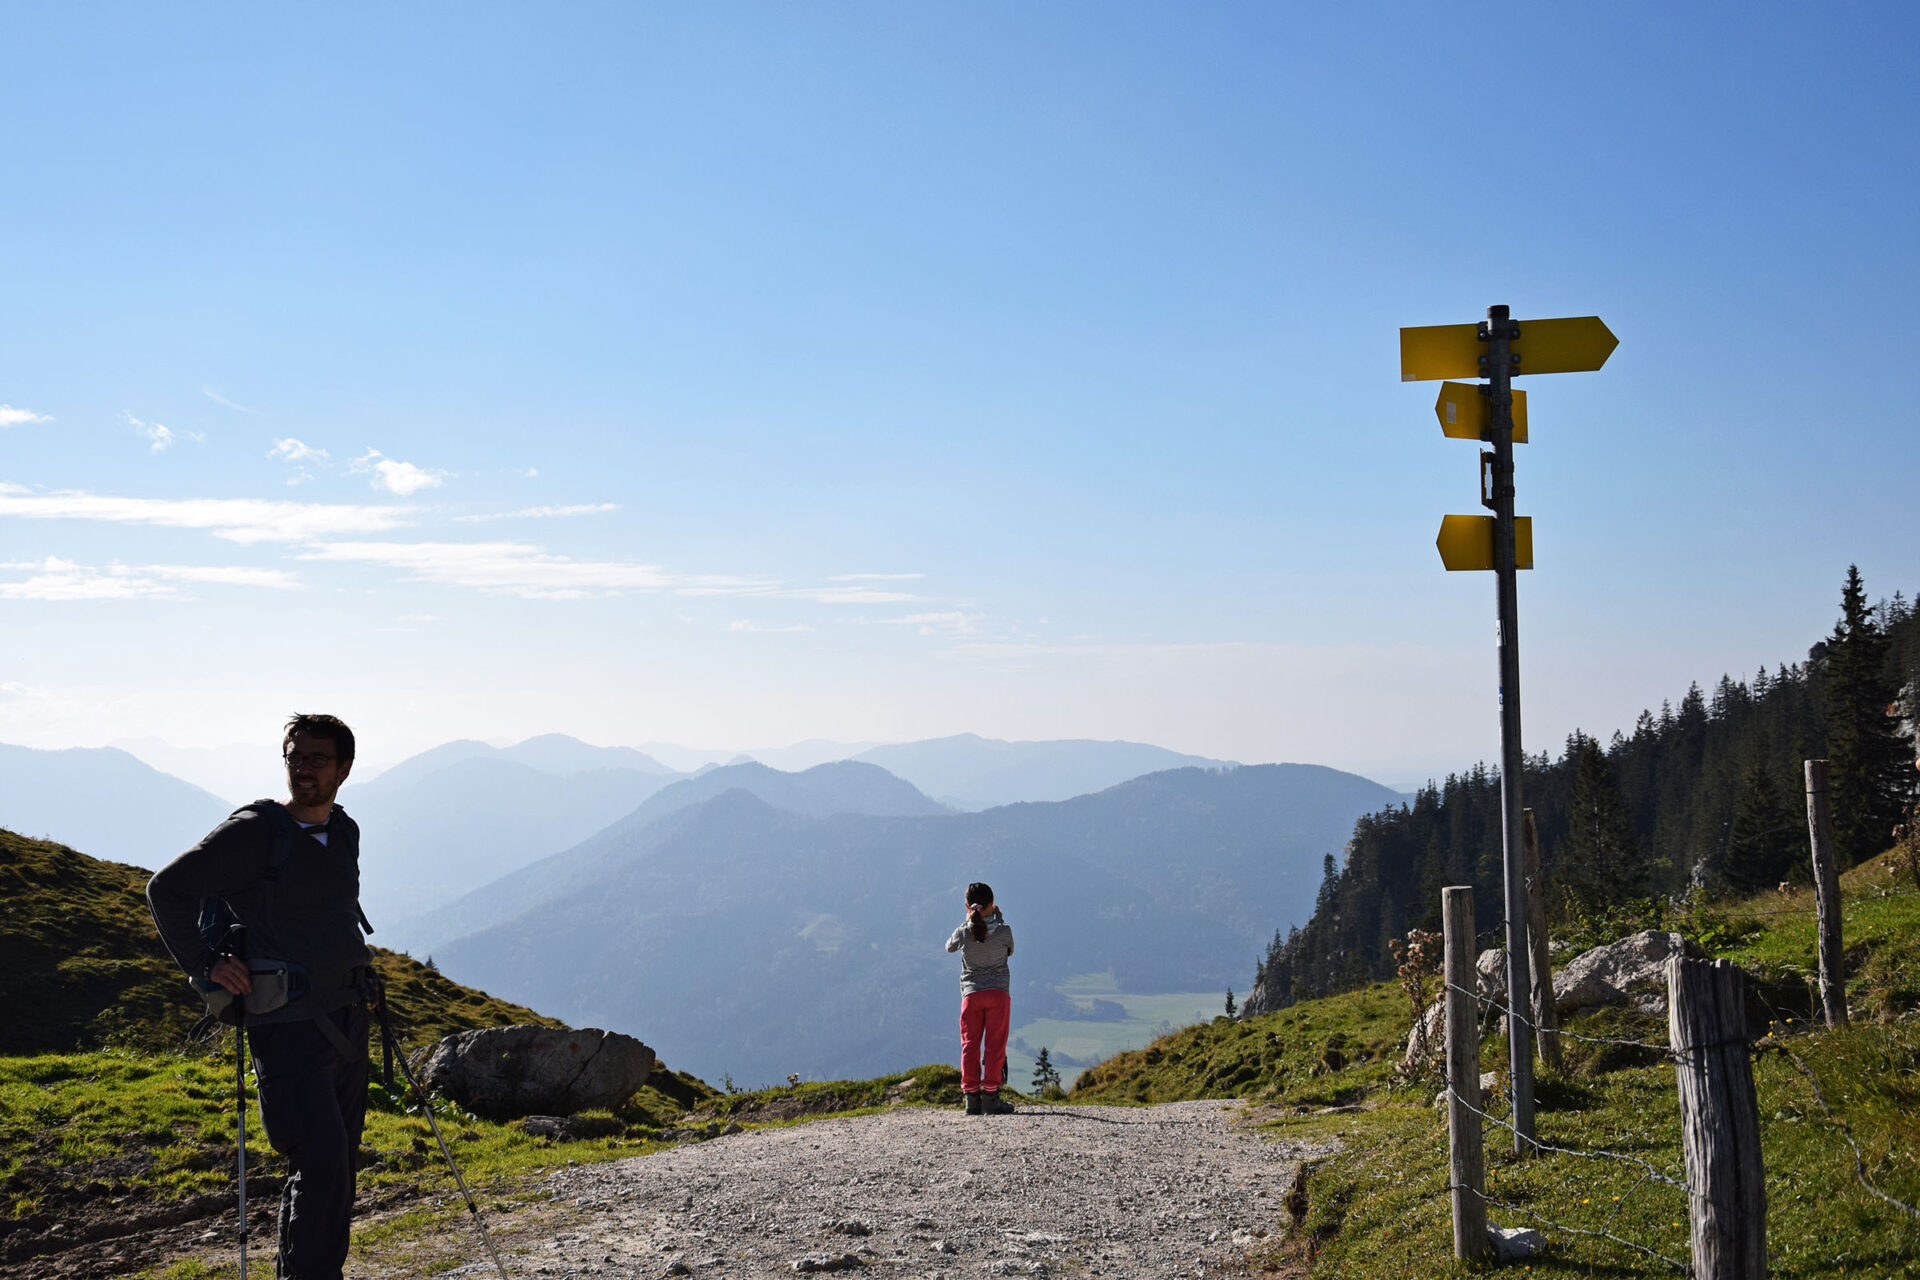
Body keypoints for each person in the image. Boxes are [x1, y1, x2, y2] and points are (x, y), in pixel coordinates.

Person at [147, 714, 371, 1280]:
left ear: (344, 768)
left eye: (317, 759)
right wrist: (207, 963)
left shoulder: (344, 831)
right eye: (295, 756)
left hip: (347, 1022)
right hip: (286, 1026)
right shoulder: (254, 832)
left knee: (340, 1166)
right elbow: (166, 889)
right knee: (318, 1163)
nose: (303, 768)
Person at [945, 881, 1015, 1115]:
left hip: (971, 995)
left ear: (967, 906)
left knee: (970, 1045)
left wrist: (968, 923)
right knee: (995, 1044)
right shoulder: (1005, 931)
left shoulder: (964, 932)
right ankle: (991, 1097)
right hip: (998, 994)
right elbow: (1010, 950)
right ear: (993, 905)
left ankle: (971, 1097)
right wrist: (999, 920)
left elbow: (949, 947)